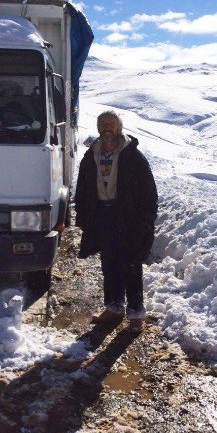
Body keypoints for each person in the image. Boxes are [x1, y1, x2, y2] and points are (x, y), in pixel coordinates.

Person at [75, 110, 157, 333]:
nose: (106, 128)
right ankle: (114, 307)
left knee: (130, 263)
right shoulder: (91, 155)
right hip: (103, 215)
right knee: (109, 263)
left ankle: (136, 313)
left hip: (128, 217)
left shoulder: (133, 156)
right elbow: (82, 187)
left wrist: (146, 221)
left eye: (111, 124)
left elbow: (149, 192)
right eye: (102, 124)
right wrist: (83, 215)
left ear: (119, 128)